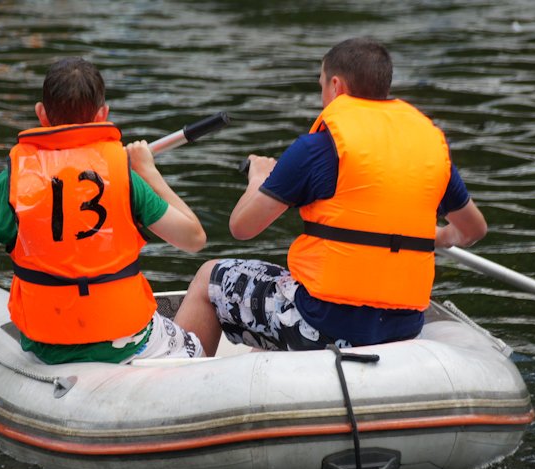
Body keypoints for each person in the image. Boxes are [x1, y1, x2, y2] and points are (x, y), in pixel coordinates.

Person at [174, 37, 488, 356]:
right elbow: (474, 230)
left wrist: (258, 179)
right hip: (402, 327)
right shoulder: (428, 149)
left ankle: (179, 386)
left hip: (321, 322)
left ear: (336, 85)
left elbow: (242, 228)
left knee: (209, 278)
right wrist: (439, 236)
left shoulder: (316, 148)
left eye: (321, 84)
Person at [0, 57, 206, 364]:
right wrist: (149, 172)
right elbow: (194, 238)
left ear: (41, 114)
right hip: (123, 338)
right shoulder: (125, 176)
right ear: (103, 115)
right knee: (197, 346)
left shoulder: (13, 180)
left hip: (48, 342)